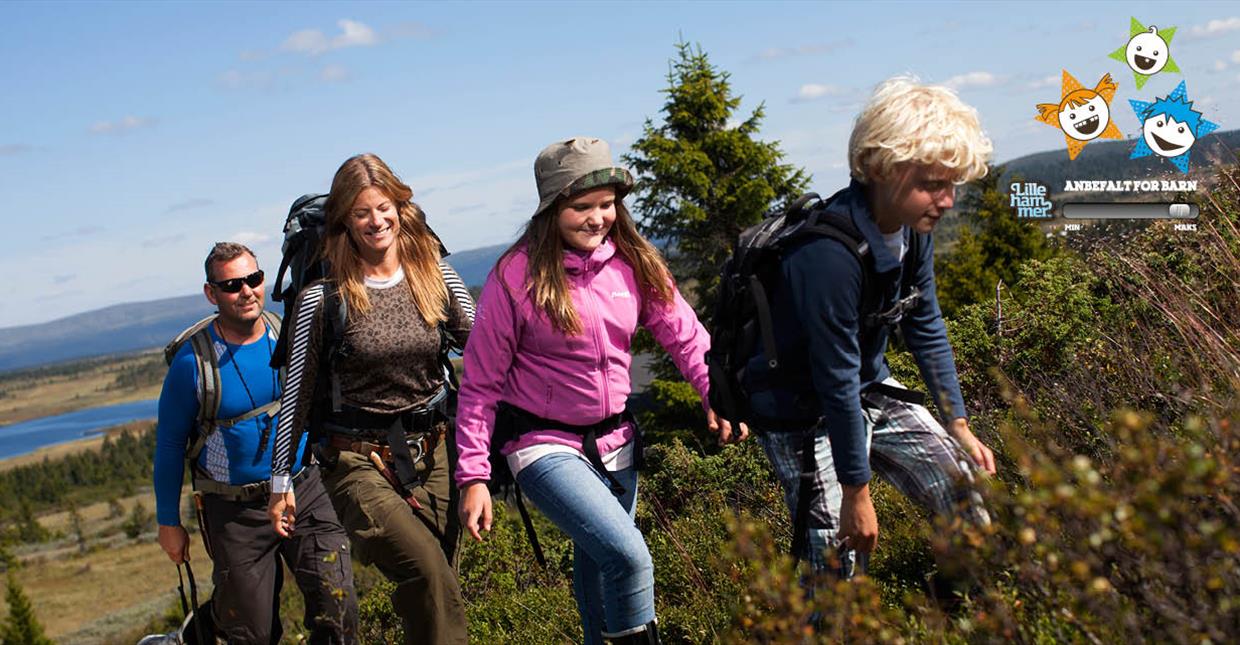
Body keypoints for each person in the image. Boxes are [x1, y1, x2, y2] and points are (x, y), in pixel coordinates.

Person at [455, 137, 743, 645]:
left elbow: (685, 334)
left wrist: (713, 394)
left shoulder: (634, 263)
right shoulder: (515, 277)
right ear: (550, 209)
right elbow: (480, 383)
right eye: (581, 206)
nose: (597, 217)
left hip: (616, 442)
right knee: (629, 556)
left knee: (599, 570)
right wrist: (474, 476)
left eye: (607, 204)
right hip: (541, 443)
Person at [745, 77, 996, 578]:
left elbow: (925, 321)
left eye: (951, 185)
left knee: (966, 497)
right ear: (881, 168)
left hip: (866, 386)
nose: (946, 201)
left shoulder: (912, 229)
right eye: (932, 184)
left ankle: (977, 613)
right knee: (836, 559)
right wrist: (856, 494)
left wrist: (959, 424)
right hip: (800, 410)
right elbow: (832, 377)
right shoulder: (825, 256)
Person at [267, 153, 475, 645]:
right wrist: (281, 483)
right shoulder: (323, 298)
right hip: (357, 462)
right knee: (428, 575)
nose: (376, 221)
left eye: (384, 208)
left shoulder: (435, 276)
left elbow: (481, 340)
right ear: (344, 221)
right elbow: (294, 395)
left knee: (438, 583)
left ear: (401, 208)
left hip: (437, 451)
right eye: (362, 212)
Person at [154, 242, 358, 644]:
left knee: (338, 603)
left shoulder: (290, 335)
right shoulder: (192, 364)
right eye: (232, 285)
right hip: (234, 510)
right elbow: (169, 445)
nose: (246, 291)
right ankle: (203, 629)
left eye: (253, 279)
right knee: (252, 632)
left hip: (305, 490)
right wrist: (168, 523)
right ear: (212, 294)